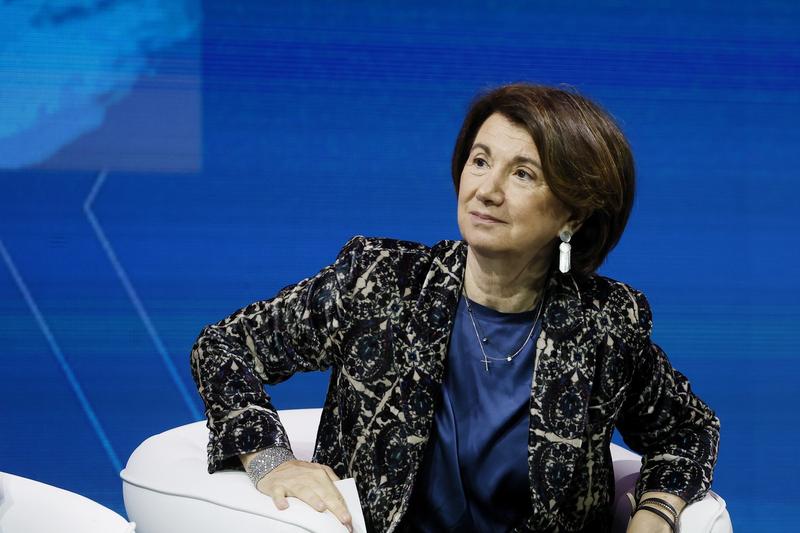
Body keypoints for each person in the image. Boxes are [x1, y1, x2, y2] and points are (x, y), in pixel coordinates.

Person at [190, 83, 720, 533]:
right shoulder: (381, 282)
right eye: (480, 161)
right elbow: (223, 347)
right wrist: (271, 461)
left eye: (523, 174)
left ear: (572, 216)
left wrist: (656, 511)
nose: (487, 190)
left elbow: (688, 429)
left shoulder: (604, 324)